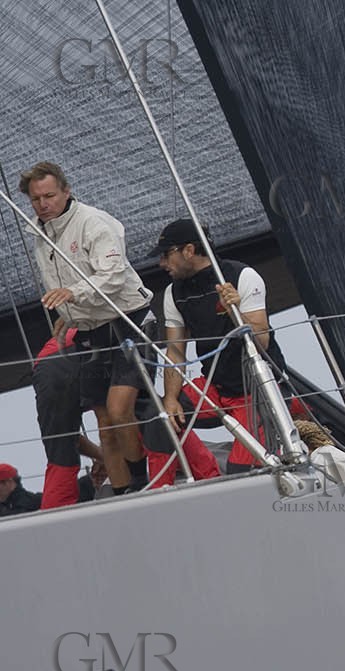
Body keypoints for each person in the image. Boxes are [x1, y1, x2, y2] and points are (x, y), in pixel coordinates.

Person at [20, 161, 152, 497]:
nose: (43, 204)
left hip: (126, 320)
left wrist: (73, 293)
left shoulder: (94, 222)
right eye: (36, 199)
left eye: (49, 195)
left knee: (121, 409)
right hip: (89, 329)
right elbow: (58, 281)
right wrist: (68, 311)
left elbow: (113, 274)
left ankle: (142, 481)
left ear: (66, 191)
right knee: (105, 422)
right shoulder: (39, 232)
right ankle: (123, 493)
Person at [146, 217, 294, 486]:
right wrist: (170, 399)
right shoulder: (173, 292)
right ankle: (160, 492)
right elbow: (176, 352)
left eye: (167, 255)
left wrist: (235, 311)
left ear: (189, 250)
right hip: (215, 388)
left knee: (243, 476)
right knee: (157, 416)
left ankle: (224, 483)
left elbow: (261, 340)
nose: (161, 264)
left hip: (258, 391)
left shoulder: (242, 276)